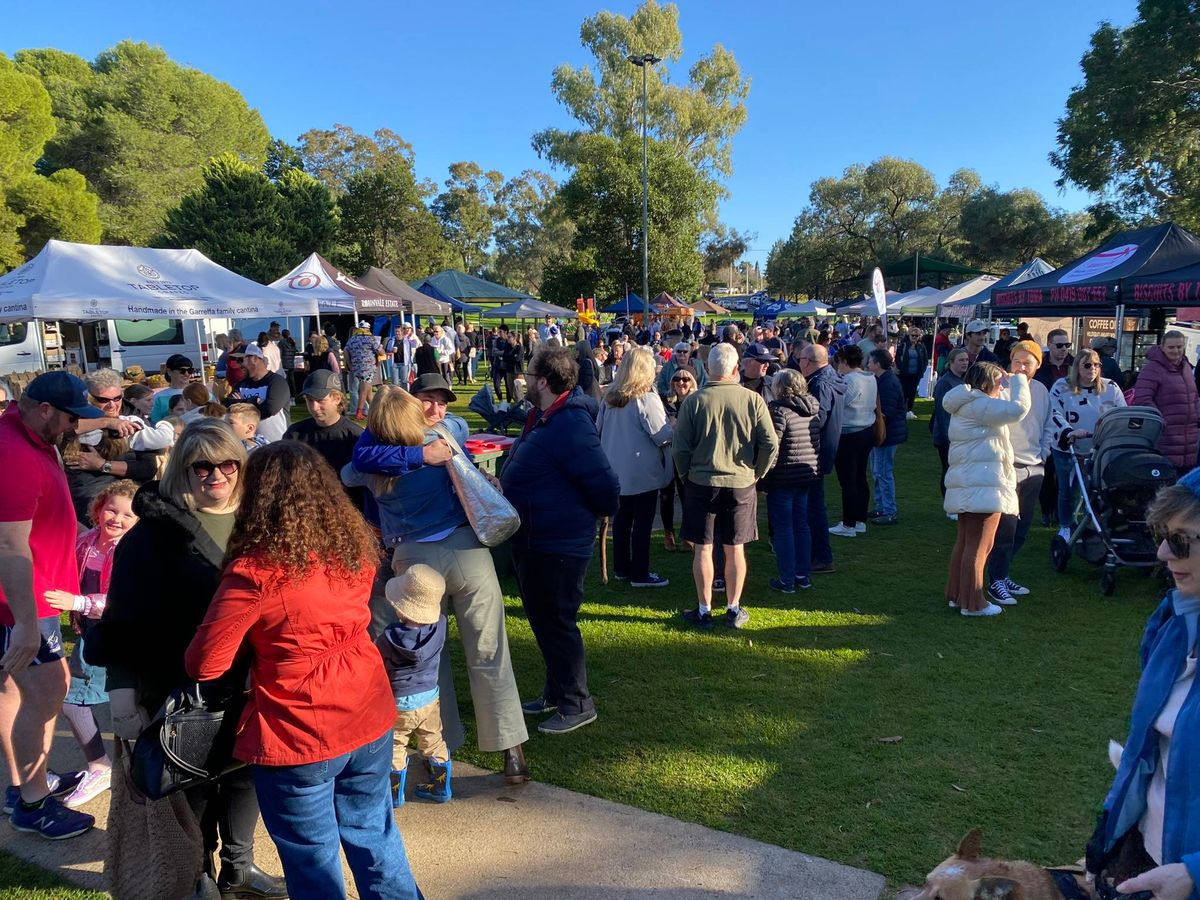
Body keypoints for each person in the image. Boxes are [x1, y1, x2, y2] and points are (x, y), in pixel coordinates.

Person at [184, 442, 422, 900]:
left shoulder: (256, 571)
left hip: (300, 729)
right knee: (374, 833)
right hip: (366, 711)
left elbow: (205, 663)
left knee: (311, 856)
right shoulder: (351, 547)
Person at [86, 420, 284, 897]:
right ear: (183, 469)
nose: (215, 475)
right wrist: (122, 694)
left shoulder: (264, 521)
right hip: (175, 682)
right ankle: (193, 874)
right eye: (202, 465)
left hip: (250, 678)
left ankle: (238, 865)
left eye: (227, 463)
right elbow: (123, 619)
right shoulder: (152, 536)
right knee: (186, 782)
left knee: (245, 777)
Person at [343, 379, 532, 776]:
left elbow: (353, 466)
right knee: (489, 649)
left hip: (414, 560)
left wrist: (401, 451)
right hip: (468, 553)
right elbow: (457, 429)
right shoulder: (443, 439)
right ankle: (512, 749)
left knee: (428, 658)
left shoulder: (373, 465)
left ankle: (441, 747)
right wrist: (419, 452)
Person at [1083, 468, 1200, 899]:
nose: (1165, 553)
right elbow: (1147, 748)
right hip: (1150, 853)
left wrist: (1194, 873)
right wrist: (1114, 827)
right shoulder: (1174, 621)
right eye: (1161, 534)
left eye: (1182, 540)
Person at [0, 373, 100, 840]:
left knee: (13, 693)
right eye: (69, 417)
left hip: (28, 598)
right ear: (43, 409)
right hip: (22, 602)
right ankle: (36, 805)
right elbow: (9, 545)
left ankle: (23, 787)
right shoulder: (15, 455)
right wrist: (24, 622)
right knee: (48, 691)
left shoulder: (31, 439)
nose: (74, 427)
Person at [502, 348, 619, 733]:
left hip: (558, 544)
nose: (524, 378)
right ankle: (557, 691)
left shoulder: (569, 422)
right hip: (537, 539)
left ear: (544, 382)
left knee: (557, 624)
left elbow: (604, 485)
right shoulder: (545, 417)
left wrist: (588, 517)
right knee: (544, 621)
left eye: (530, 373)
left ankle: (577, 703)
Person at [44, 479, 140, 808]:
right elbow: (66, 567)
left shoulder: (128, 551)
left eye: (127, 515)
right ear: (98, 509)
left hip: (109, 636)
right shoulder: (88, 541)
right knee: (121, 703)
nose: (116, 518)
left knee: (74, 702)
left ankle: (101, 767)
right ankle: (121, 767)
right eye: (111, 509)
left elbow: (118, 600)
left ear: (138, 521)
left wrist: (76, 603)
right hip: (91, 635)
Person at [673, 343, 779, 630]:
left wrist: (686, 476)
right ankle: (732, 608)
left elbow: (680, 449)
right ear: (736, 369)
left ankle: (704, 608)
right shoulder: (752, 400)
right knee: (735, 549)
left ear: (708, 369)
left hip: (701, 481)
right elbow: (770, 443)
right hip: (740, 482)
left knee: (703, 549)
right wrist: (757, 473)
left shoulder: (694, 401)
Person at [942, 362, 1030, 617]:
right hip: (984, 485)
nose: (1002, 385)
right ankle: (974, 603)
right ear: (986, 383)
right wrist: (1019, 381)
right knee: (980, 545)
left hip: (969, 484)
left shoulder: (968, 403)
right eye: (998, 381)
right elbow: (1018, 409)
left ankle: (958, 595)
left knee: (965, 542)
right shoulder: (981, 405)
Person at [598, 347, 673, 589]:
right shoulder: (646, 399)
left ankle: (621, 567)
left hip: (615, 470)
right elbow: (660, 436)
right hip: (642, 472)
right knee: (642, 523)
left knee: (622, 521)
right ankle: (640, 572)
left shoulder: (609, 398)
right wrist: (674, 426)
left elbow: (598, 429)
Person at [985, 340, 1053, 607]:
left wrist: (1044, 454)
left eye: (1028, 362)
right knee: (1006, 527)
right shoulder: (1002, 389)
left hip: (1034, 465)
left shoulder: (1042, 390)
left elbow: (1048, 424)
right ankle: (996, 579)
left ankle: (1002, 572)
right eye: (1017, 361)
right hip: (1008, 466)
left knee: (1023, 528)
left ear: (1038, 365)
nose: (1022, 367)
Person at [377, 564, 450, 806]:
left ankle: (395, 794)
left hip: (399, 702)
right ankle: (441, 788)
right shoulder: (440, 625)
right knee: (433, 740)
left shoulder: (389, 638)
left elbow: (378, 665)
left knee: (396, 744)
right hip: (430, 698)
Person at [1048, 349, 1128, 541]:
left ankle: (1091, 525)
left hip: (1099, 448)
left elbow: (1122, 413)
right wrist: (1069, 432)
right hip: (1070, 446)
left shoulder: (1111, 387)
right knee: (1067, 490)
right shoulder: (1061, 387)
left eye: (1096, 365)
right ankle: (1065, 525)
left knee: (1094, 489)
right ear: (1077, 367)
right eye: (1087, 365)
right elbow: (1054, 413)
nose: (1093, 369)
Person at [763, 369, 820, 593]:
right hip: (806, 474)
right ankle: (802, 575)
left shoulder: (778, 410)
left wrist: (764, 479)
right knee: (801, 524)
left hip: (784, 476)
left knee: (784, 528)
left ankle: (787, 579)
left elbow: (773, 448)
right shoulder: (813, 408)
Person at [794, 343, 844, 575]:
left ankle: (821, 556)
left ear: (809, 362)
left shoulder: (820, 383)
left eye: (801, 359)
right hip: (823, 451)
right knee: (813, 505)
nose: (798, 362)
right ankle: (818, 554)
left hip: (815, 452)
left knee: (813, 507)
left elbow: (817, 418)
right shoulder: (830, 377)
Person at [1134, 330, 1199, 474]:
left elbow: (1194, 397)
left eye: (1179, 347)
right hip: (1165, 440)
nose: (1176, 351)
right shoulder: (1152, 370)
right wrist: (1159, 421)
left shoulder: (1187, 367)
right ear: (1162, 347)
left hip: (1189, 441)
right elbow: (1142, 399)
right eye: (1171, 347)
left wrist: (1196, 415)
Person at [830, 346, 877, 538]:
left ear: (844, 361)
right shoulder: (870, 377)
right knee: (859, 477)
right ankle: (859, 521)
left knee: (848, 479)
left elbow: (842, 401)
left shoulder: (850, 380)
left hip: (850, 433)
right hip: (866, 430)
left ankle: (849, 524)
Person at [1036, 327, 1075, 526]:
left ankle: (1063, 514)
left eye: (1067, 345)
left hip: (1068, 424)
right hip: (1044, 422)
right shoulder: (1039, 367)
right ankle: (1046, 510)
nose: (1064, 349)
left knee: (1066, 474)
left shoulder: (1076, 365)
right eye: (1059, 345)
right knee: (1046, 470)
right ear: (1049, 345)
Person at [660, 367, 698, 553]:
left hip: (688, 455)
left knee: (687, 495)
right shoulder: (664, 401)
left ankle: (688, 535)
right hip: (667, 454)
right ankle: (668, 534)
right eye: (677, 379)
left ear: (692, 382)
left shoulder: (696, 402)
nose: (681, 383)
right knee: (666, 495)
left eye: (685, 379)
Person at [867, 348, 907, 525]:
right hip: (884, 434)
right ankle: (881, 506)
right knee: (878, 472)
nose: (868, 364)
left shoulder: (887, 382)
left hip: (887, 435)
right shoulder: (883, 380)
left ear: (877, 364)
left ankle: (889, 510)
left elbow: (887, 412)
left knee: (883, 472)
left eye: (870, 361)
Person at [930, 348, 970, 500]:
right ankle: (949, 502)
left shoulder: (964, 379)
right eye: (961, 360)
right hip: (947, 436)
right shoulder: (945, 383)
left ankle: (956, 500)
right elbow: (942, 414)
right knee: (949, 469)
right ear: (951, 362)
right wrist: (950, 437)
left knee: (958, 470)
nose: (965, 363)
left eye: (966, 360)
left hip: (959, 433)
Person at [344, 324, 382, 420]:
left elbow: (345, 350)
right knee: (364, 390)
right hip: (368, 368)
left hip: (356, 368)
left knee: (368, 390)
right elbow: (380, 351)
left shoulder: (352, 339)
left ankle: (376, 411)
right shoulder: (370, 339)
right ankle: (359, 412)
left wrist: (350, 364)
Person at [149, 353, 198, 423]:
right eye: (182, 371)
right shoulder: (158, 398)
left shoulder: (200, 393)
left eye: (190, 370)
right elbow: (155, 423)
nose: (186, 374)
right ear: (169, 372)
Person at [894, 326, 928, 418]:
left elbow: (925, 360)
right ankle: (901, 410)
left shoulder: (921, 346)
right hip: (904, 374)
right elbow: (897, 358)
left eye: (916, 336)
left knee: (912, 393)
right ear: (909, 335)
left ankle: (909, 410)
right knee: (904, 392)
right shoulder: (904, 345)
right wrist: (901, 368)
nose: (914, 337)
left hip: (916, 374)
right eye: (912, 335)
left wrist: (922, 371)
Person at [396, 322, 419, 388]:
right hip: (404, 361)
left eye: (410, 328)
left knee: (414, 377)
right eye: (406, 328)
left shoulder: (414, 337)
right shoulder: (400, 337)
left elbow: (417, 347)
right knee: (405, 379)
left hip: (413, 360)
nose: (408, 330)